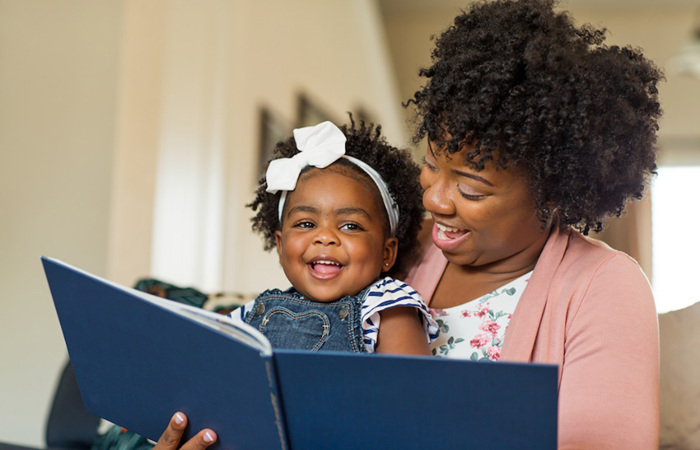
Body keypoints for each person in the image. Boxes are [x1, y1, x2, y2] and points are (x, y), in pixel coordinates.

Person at [155, 0, 662, 448]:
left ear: (552, 192)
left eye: (470, 188)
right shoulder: (395, 248)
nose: (435, 199)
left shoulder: (604, 287)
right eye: (431, 163)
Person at [230, 118, 438, 354]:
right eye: (306, 223)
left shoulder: (387, 306)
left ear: (386, 252)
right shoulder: (254, 312)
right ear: (280, 245)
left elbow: (411, 386)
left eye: (350, 226)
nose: (325, 237)